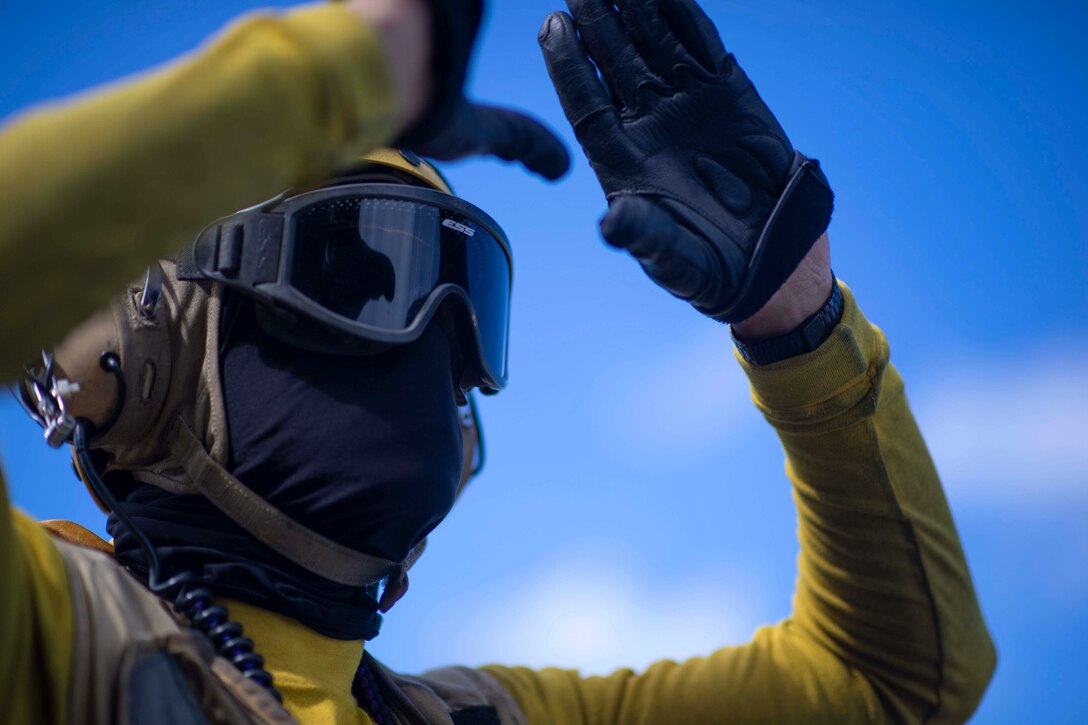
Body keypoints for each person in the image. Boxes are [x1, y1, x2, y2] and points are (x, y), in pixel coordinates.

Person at [0, 1, 996, 724]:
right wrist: (348, 67)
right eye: (360, 269)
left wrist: (797, 320)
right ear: (136, 353)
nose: (435, 331)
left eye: (465, 292)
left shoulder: (477, 719)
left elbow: (892, 680)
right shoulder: (45, 633)